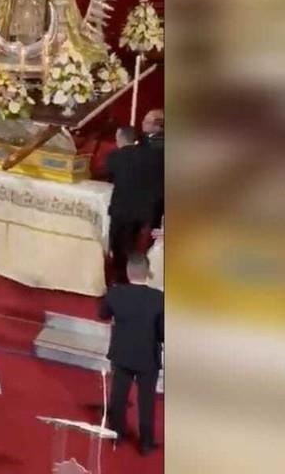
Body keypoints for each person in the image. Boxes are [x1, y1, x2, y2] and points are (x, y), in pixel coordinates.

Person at [99, 252, 164, 456]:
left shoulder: (116, 293)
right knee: (146, 401)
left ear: (128, 272)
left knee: (118, 396)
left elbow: (103, 314)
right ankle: (145, 442)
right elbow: (163, 334)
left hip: (122, 353)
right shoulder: (159, 299)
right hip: (148, 358)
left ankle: (116, 433)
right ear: (148, 273)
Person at [104, 126, 162, 283]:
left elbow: (109, 179)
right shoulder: (152, 155)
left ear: (120, 139)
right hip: (146, 211)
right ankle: (139, 273)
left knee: (118, 245)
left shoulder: (114, 157)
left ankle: (122, 278)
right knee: (134, 243)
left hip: (121, 211)